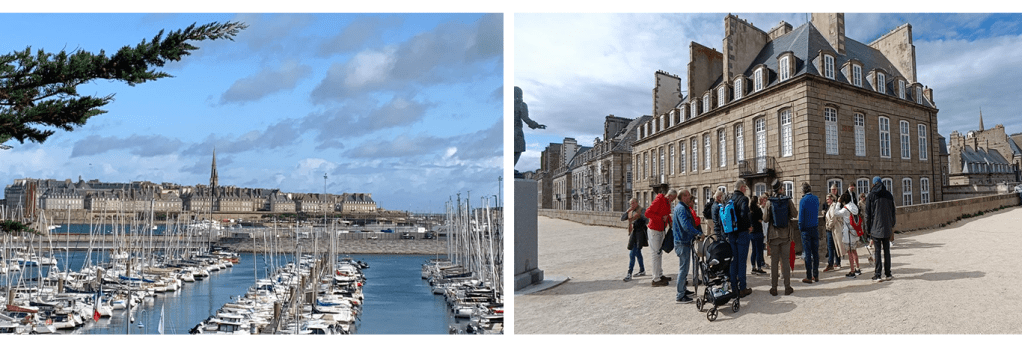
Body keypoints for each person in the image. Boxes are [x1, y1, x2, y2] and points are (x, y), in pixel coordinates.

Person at [762, 179, 797, 296]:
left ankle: (774, 288)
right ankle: (787, 287)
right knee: (785, 261)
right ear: (781, 189)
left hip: (773, 235)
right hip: (786, 235)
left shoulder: (769, 202)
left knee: (774, 262)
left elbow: (765, 219)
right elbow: (794, 214)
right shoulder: (787, 201)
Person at [672, 190, 703, 303]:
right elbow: (685, 226)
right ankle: (680, 295)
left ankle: (683, 290)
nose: (690, 196)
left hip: (684, 241)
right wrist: (698, 233)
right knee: (683, 269)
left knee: (684, 268)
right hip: (682, 242)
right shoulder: (681, 209)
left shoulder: (682, 207)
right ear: (683, 197)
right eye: (688, 195)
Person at [865, 176, 896, 283]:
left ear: (873, 184)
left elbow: (867, 214)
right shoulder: (888, 194)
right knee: (887, 251)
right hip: (887, 227)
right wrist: (892, 224)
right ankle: (888, 274)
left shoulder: (871, 195)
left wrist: (867, 229)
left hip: (875, 227)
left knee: (877, 252)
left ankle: (878, 274)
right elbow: (893, 211)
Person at [645, 190, 677, 286]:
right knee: (655, 254)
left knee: (659, 253)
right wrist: (660, 218)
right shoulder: (659, 200)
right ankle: (655, 279)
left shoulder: (666, 202)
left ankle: (659, 274)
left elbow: (666, 214)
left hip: (661, 229)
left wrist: (670, 221)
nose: (673, 201)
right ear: (670, 196)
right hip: (654, 230)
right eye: (673, 199)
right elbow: (648, 213)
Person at [727, 180, 754, 298]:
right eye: (745, 187)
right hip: (742, 233)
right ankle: (742, 288)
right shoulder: (743, 199)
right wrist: (749, 226)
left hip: (731, 233)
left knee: (733, 261)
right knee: (742, 261)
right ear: (742, 188)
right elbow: (744, 214)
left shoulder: (729, 199)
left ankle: (734, 288)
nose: (746, 189)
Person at [797, 182, 820, 284]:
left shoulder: (803, 200)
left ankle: (809, 276)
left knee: (807, 253)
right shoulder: (816, 199)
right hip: (815, 227)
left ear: (803, 190)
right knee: (815, 253)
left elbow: (801, 218)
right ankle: (816, 275)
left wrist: (800, 228)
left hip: (806, 229)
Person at [835, 191, 861, 278]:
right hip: (855, 231)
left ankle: (852, 271)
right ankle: (857, 268)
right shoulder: (854, 206)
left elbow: (836, 213)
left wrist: (838, 203)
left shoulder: (846, 208)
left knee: (849, 252)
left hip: (847, 232)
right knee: (854, 251)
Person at [622, 198, 648, 282]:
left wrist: (640, 219)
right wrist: (627, 211)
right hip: (633, 234)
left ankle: (629, 273)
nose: (632, 205)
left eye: (633, 203)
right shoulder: (630, 211)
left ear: (637, 203)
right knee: (637, 253)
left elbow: (647, 220)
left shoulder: (642, 210)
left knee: (632, 253)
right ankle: (642, 270)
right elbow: (622, 218)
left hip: (640, 234)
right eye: (630, 204)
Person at [823, 194, 844, 272]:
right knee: (835, 246)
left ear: (831, 199)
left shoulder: (833, 206)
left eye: (828, 199)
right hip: (833, 229)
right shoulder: (832, 206)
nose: (827, 200)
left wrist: (829, 226)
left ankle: (831, 263)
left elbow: (833, 218)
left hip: (832, 229)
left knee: (831, 246)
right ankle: (836, 262)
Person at [749, 194, 767, 275]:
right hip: (758, 231)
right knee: (759, 251)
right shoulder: (758, 209)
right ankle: (759, 267)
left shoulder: (749, 211)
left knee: (753, 251)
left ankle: (753, 267)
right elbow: (761, 219)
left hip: (752, 232)